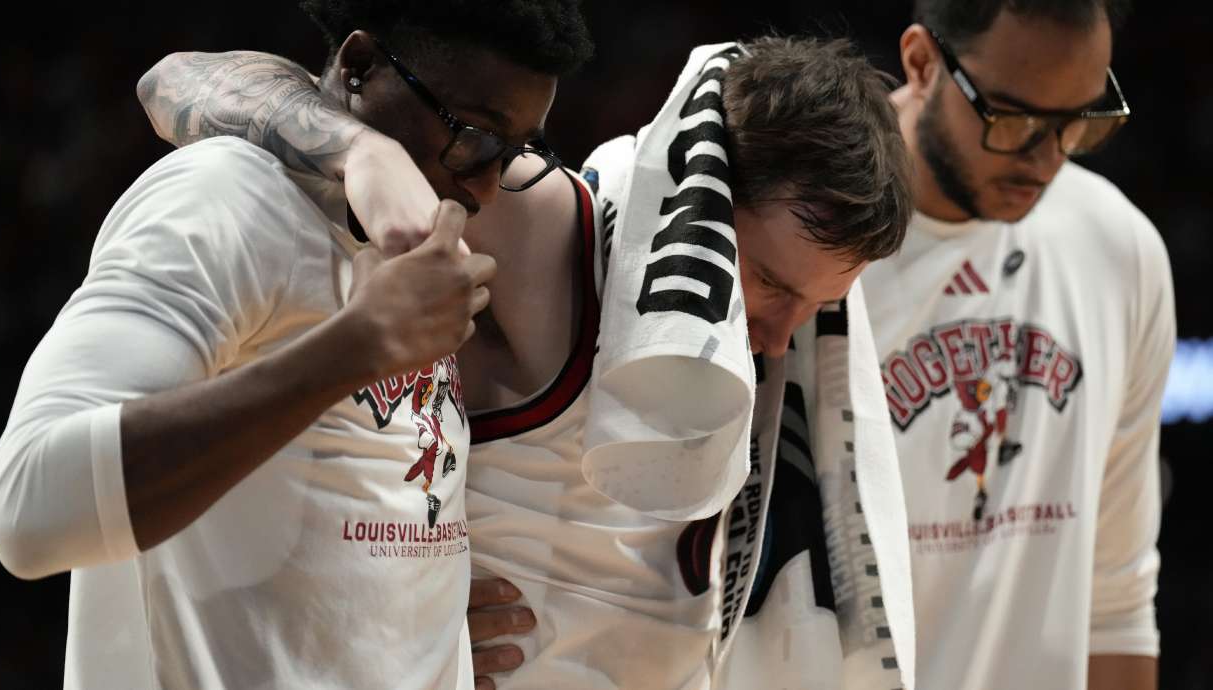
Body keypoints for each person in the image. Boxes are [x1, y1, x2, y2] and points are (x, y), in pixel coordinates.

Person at [136, 27, 916, 690]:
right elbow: (176, 80)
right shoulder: (549, 231)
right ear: (696, 204)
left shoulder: (803, 338)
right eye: (768, 284)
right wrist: (362, 151)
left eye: (815, 305)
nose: (780, 338)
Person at [0, 2, 591, 688]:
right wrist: (354, 350)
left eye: (513, 152)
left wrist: (420, 627)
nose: (486, 184)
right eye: (472, 134)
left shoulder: (422, 227)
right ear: (359, 67)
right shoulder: (224, 195)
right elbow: (29, 508)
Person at [859, 1, 1173, 688]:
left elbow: (1116, 600)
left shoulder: (1118, 247)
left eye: (1078, 121)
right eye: (1014, 118)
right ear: (922, 63)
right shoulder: (803, 250)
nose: (1047, 158)